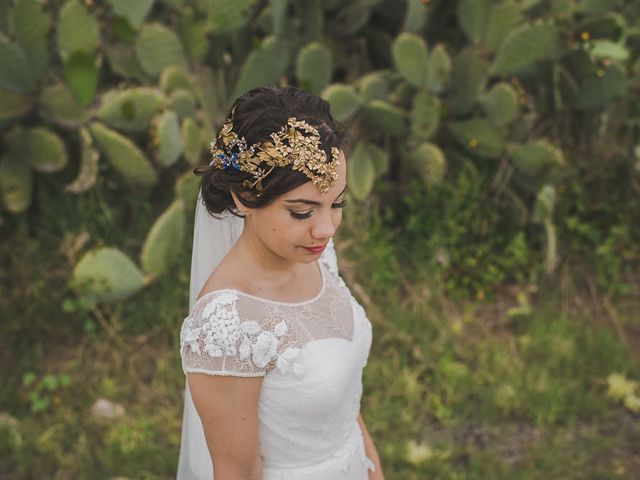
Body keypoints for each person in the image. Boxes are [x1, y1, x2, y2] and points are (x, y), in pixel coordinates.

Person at [177, 86, 384, 479]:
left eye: (337, 204)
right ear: (243, 198)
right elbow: (237, 472)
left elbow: (344, 408)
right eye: (302, 211)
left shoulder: (318, 255)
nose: (325, 229)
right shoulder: (225, 325)